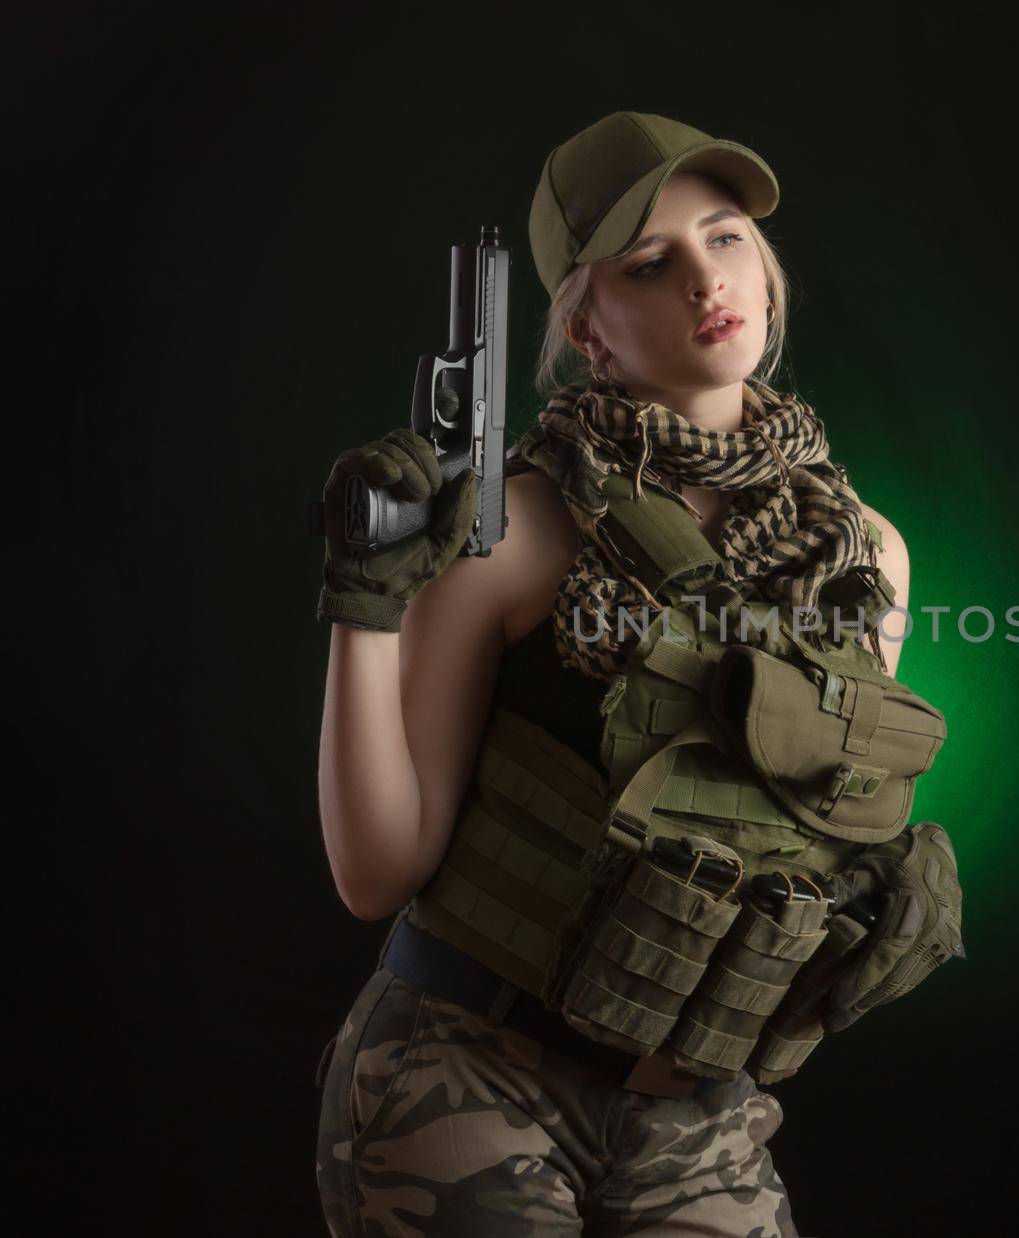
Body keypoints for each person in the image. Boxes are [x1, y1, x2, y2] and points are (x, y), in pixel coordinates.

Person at [311, 112, 962, 1238]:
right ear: (588, 330)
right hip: (469, 1074)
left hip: (697, 1113)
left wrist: (870, 897)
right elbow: (380, 871)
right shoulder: (514, 525)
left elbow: (792, 819)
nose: (705, 279)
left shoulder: (864, 554)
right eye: (648, 265)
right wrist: (364, 609)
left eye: (723, 238)